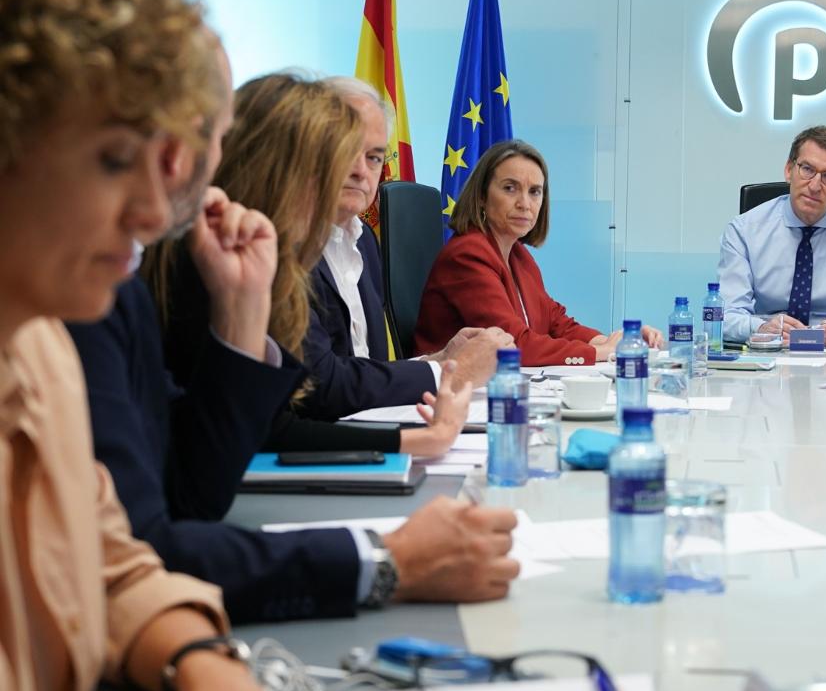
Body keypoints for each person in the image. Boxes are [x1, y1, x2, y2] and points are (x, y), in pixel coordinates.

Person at [70, 61, 520, 625]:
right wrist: (385, 559)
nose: (351, 186)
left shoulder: (140, 288)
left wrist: (241, 319)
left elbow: (190, 496)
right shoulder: (101, 293)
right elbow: (138, 551)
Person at [0, 0, 290, 691]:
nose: (153, 211)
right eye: (114, 159)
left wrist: (204, 664)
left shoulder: (39, 350)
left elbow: (111, 562)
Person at [301, 75, 512, 419]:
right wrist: (450, 373)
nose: (361, 171)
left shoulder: (364, 241)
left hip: (369, 428)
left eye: (374, 158)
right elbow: (321, 387)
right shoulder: (283, 244)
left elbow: (365, 369)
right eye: (347, 150)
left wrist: (439, 360)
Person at [415, 139, 661, 366]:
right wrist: (602, 352)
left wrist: (619, 341)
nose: (525, 203)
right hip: (446, 389)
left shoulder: (519, 255)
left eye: (534, 191)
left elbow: (556, 323)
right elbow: (514, 346)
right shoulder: (467, 255)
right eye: (510, 188)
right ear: (481, 196)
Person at [717, 125, 826, 347]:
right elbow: (725, 315)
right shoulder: (744, 230)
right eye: (807, 169)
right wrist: (761, 328)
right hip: (769, 350)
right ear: (789, 170)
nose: (814, 186)